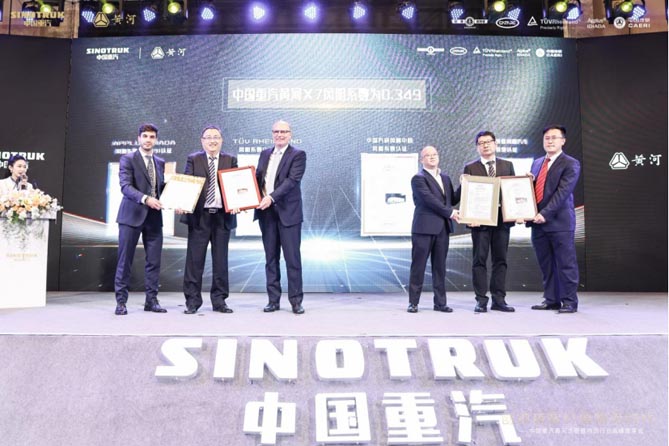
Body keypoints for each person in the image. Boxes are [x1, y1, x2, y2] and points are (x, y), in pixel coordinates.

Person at [180, 126, 237, 314]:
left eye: (216, 137)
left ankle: (220, 301)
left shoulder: (230, 159)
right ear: (202, 141)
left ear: (221, 140)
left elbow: (236, 185)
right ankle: (192, 301)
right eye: (209, 137)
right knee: (194, 261)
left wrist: (238, 202)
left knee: (221, 261)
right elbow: (187, 182)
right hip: (200, 217)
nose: (212, 141)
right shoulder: (194, 159)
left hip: (222, 217)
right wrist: (182, 201)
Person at [114, 123, 166, 315]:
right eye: (145, 136)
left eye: (152, 137)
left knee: (154, 262)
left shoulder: (160, 161)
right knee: (125, 260)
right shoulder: (128, 159)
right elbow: (125, 187)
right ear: (139, 138)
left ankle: (151, 301)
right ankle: (121, 302)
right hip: (131, 216)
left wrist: (178, 199)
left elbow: (161, 188)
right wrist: (146, 199)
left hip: (154, 218)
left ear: (156, 140)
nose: (148, 140)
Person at [254, 120, 306, 314]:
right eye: (276, 131)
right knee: (271, 259)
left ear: (290, 134)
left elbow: (292, 181)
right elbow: (258, 179)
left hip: (288, 214)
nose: (280, 135)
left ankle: (296, 301)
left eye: (283, 131)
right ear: (272, 134)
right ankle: (273, 301)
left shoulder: (298, 155)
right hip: (266, 215)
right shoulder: (265, 154)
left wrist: (271, 198)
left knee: (292, 260)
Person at [529, 125, 581, 314]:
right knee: (546, 264)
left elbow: (562, 193)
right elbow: (534, 191)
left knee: (566, 264)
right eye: (547, 138)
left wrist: (545, 214)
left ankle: (569, 301)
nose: (549, 141)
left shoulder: (571, 163)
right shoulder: (537, 163)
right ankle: (551, 300)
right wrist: (528, 183)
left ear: (563, 141)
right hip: (537, 223)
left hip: (559, 222)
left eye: (554, 138)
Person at [462, 131, 516, 313]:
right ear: (477, 147)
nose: (485, 145)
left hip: (502, 221)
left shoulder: (507, 165)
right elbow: (467, 196)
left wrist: (518, 212)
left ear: (495, 144)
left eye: (488, 142)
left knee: (500, 260)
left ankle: (499, 300)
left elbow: (513, 192)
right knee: (479, 260)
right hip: (480, 222)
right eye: (481, 143)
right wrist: (469, 217)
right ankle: (481, 300)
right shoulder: (470, 167)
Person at [407, 145, 460, 313]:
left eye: (434, 154)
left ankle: (440, 303)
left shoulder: (445, 178)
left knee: (440, 267)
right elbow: (429, 200)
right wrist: (450, 213)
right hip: (424, 228)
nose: (432, 157)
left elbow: (452, 200)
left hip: (442, 229)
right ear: (421, 160)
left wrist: (465, 185)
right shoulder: (418, 178)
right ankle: (413, 302)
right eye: (427, 155)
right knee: (418, 266)